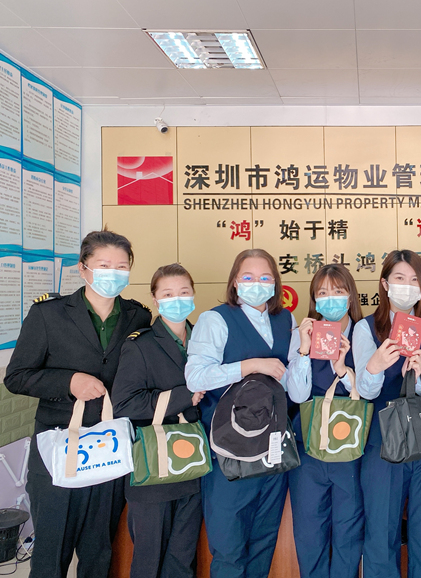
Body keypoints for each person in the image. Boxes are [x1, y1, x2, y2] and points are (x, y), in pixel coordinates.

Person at [4, 230, 151, 578]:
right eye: (104, 265)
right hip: (59, 446)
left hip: (110, 445)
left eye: (121, 266)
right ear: (83, 268)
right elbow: (17, 376)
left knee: (99, 549)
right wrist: (69, 382)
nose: (113, 273)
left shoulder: (137, 317)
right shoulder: (48, 314)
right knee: (52, 549)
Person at [185, 249, 300, 578]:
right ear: (235, 282)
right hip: (229, 452)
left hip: (273, 450)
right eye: (248, 277)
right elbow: (196, 377)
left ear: (275, 283)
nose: (256, 283)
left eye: (265, 277)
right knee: (229, 548)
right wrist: (249, 366)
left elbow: (293, 382)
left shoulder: (286, 320)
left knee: (263, 542)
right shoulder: (215, 319)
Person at [352, 250, 421, 578]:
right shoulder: (366, 328)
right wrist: (376, 365)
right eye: (399, 278)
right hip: (382, 442)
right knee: (381, 532)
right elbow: (366, 391)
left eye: (414, 280)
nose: (407, 286)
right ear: (385, 284)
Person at [112, 263, 204, 578]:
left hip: (195, 467)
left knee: (183, 560)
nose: (177, 299)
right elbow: (124, 404)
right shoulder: (140, 344)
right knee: (149, 561)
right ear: (155, 300)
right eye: (167, 294)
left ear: (193, 295)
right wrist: (183, 396)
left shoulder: (206, 340)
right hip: (153, 470)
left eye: (183, 292)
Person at [285, 264, 364, 578]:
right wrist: (304, 351)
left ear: (350, 296)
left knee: (349, 530)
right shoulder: (302, 334)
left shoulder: (364, 332)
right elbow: (297, 394)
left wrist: (343, 370)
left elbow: (372, 389)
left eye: (338, 291)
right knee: (309, 531)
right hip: (308, 446)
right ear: (314, 300)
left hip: (351, 448)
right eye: (323, 292)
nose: (331, 298)